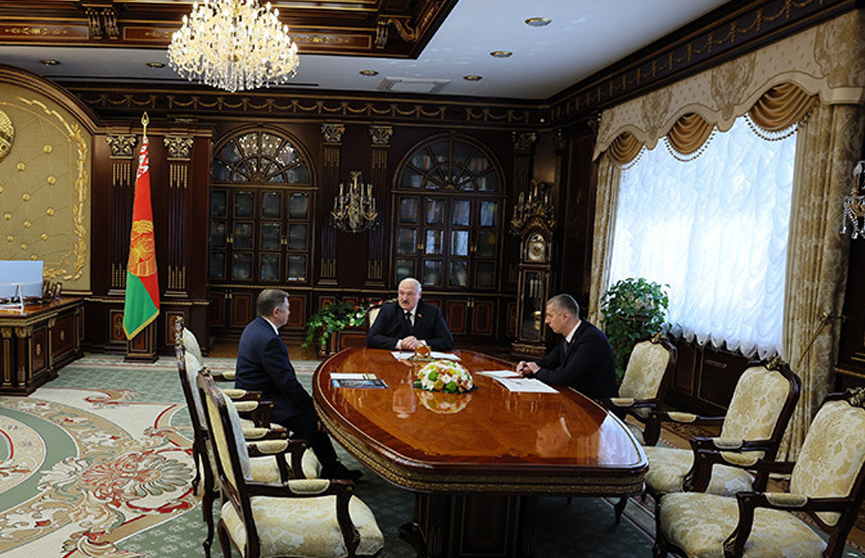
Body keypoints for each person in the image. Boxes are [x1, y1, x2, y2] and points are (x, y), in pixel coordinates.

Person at [235, 289, 362, 481]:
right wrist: (312, 408)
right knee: (311, 421)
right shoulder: (269, 339)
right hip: (260, 403)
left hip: (257, 393)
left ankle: (332, 466)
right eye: (287, 308)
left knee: (311, 415)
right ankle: (284, 452)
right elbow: (287, 383)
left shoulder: (254, 327)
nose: (290, 312)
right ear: (276, 312)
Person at [516, 293, 617, 399]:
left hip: (595, 403)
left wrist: (537, 370)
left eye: (550, 316)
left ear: (565, 316)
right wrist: (529, 367)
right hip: (576, 397)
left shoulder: (591, 338)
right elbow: (550, 360)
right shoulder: (573, 334)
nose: (546, 321)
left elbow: (564, 377)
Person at [367, 277, 454, 351]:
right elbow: (371, 338)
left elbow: (447, 341)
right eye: (401, 293)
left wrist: (421, 344)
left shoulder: (432, 312)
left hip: (422, 359)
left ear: (419, 295)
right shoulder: (388, 310)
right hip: (393, 358)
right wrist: (400, 343)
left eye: (410, 294)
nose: (404, 298)